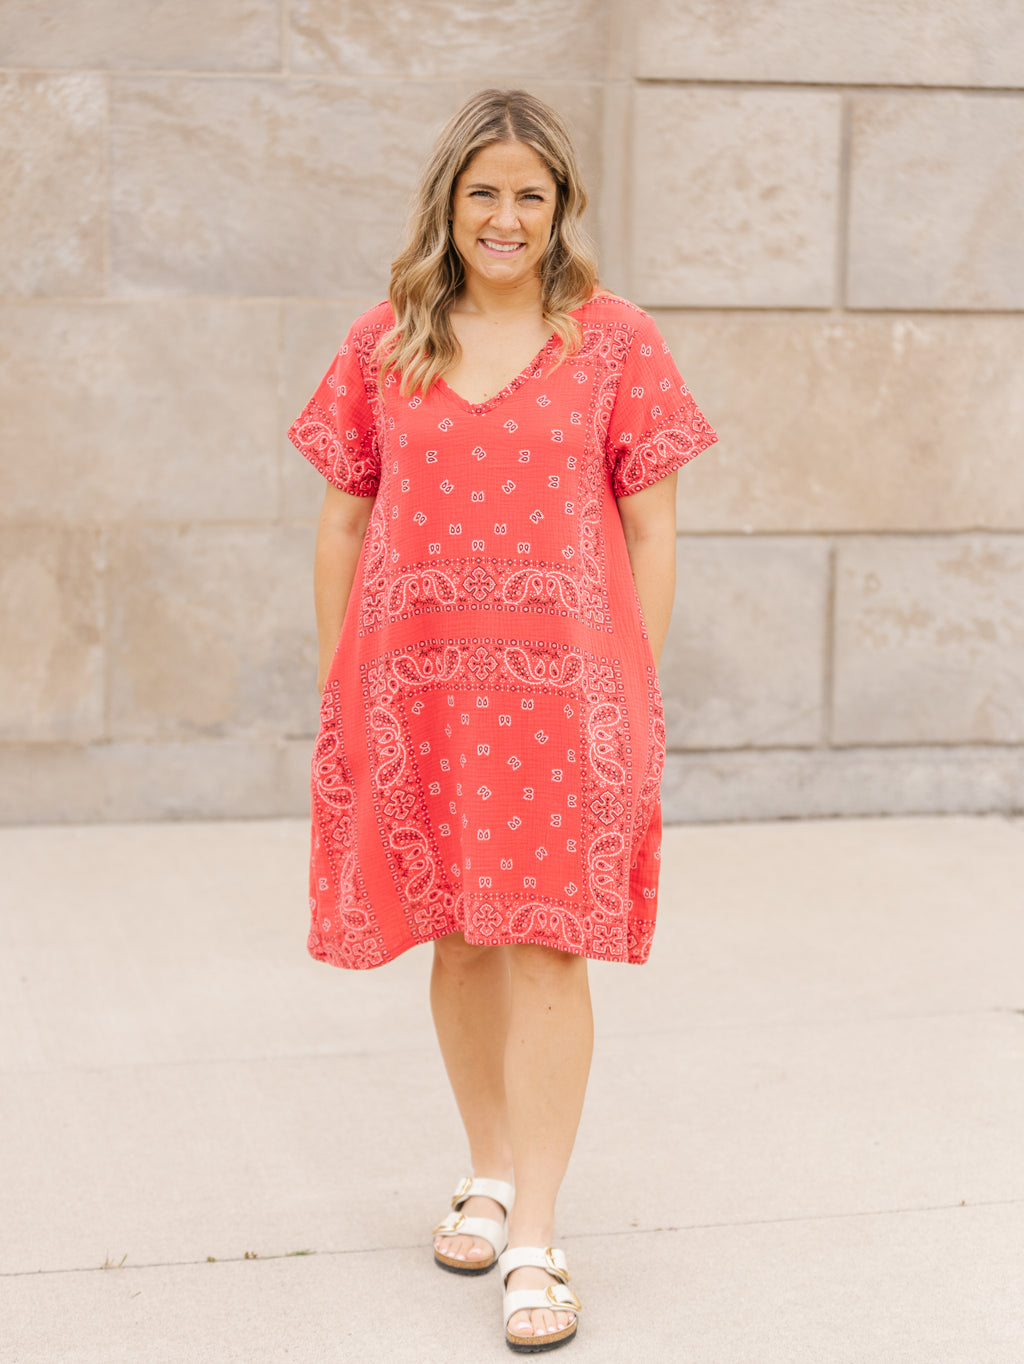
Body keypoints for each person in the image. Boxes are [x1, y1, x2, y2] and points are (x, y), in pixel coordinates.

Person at [288, 87, 717, 1353]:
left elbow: (652, 526)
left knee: (547, 946)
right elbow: (342, 520)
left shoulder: (616, 341)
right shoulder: (385, 342)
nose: (507, 216)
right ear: (448, 204)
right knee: (462, 940)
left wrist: (631, 684)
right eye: (484, 192)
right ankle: (484, 1167)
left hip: (566, 701)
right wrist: (343, 682)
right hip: (418, 691)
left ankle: (535, 1231)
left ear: (561, 207)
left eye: (531, 194)